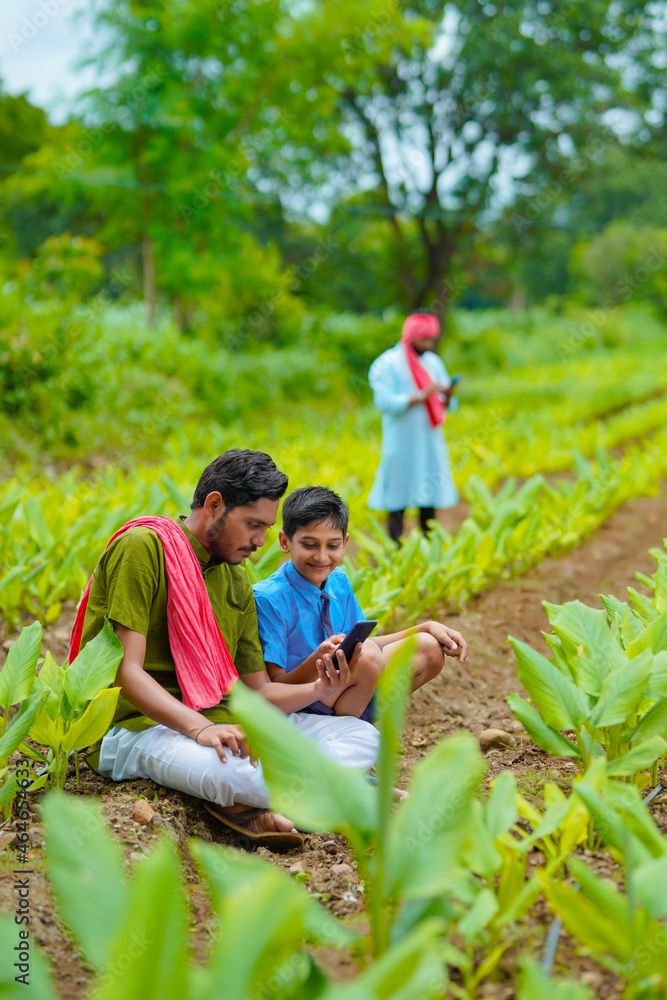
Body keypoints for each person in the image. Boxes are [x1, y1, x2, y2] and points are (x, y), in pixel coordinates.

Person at [73, 451, 379, 849]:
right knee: (233, 775)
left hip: (224, 717)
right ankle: (327, 793)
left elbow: (258, 692)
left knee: (360, 735)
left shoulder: (235, 576)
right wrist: (202, 728)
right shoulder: (144, 547)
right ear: (215, 505)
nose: (259, 541)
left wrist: (319, 689)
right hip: (140, 727)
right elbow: (125, 673)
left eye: (266, 528)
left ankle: (290, 798)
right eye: (253, 525)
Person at [253, 486, 468, 723]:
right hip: (304, 699)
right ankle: (343, 743)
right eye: (309, 545)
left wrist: (424, 628)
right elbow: (275, 685)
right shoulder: (268, 598)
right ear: (285, 542)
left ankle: (359, 724)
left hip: (346, 686)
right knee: (365, 658)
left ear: (344, 543)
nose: (322, 557)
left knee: (428, 648)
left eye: (332, 546)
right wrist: (317, 660)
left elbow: (358, 645)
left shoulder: (338, 580)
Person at [368, 310, 459, 542]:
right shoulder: (387, 363)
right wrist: (420, 396)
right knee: (398, 496)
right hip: (401, 442)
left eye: (432, 339)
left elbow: (447, 404)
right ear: (411, 337)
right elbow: (384, 401)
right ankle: (394, 548)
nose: (429, 344)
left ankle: (428, 546)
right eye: (425, 339)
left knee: (429, 492)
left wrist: (447, 396)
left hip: (429, 440)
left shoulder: (433, 362)